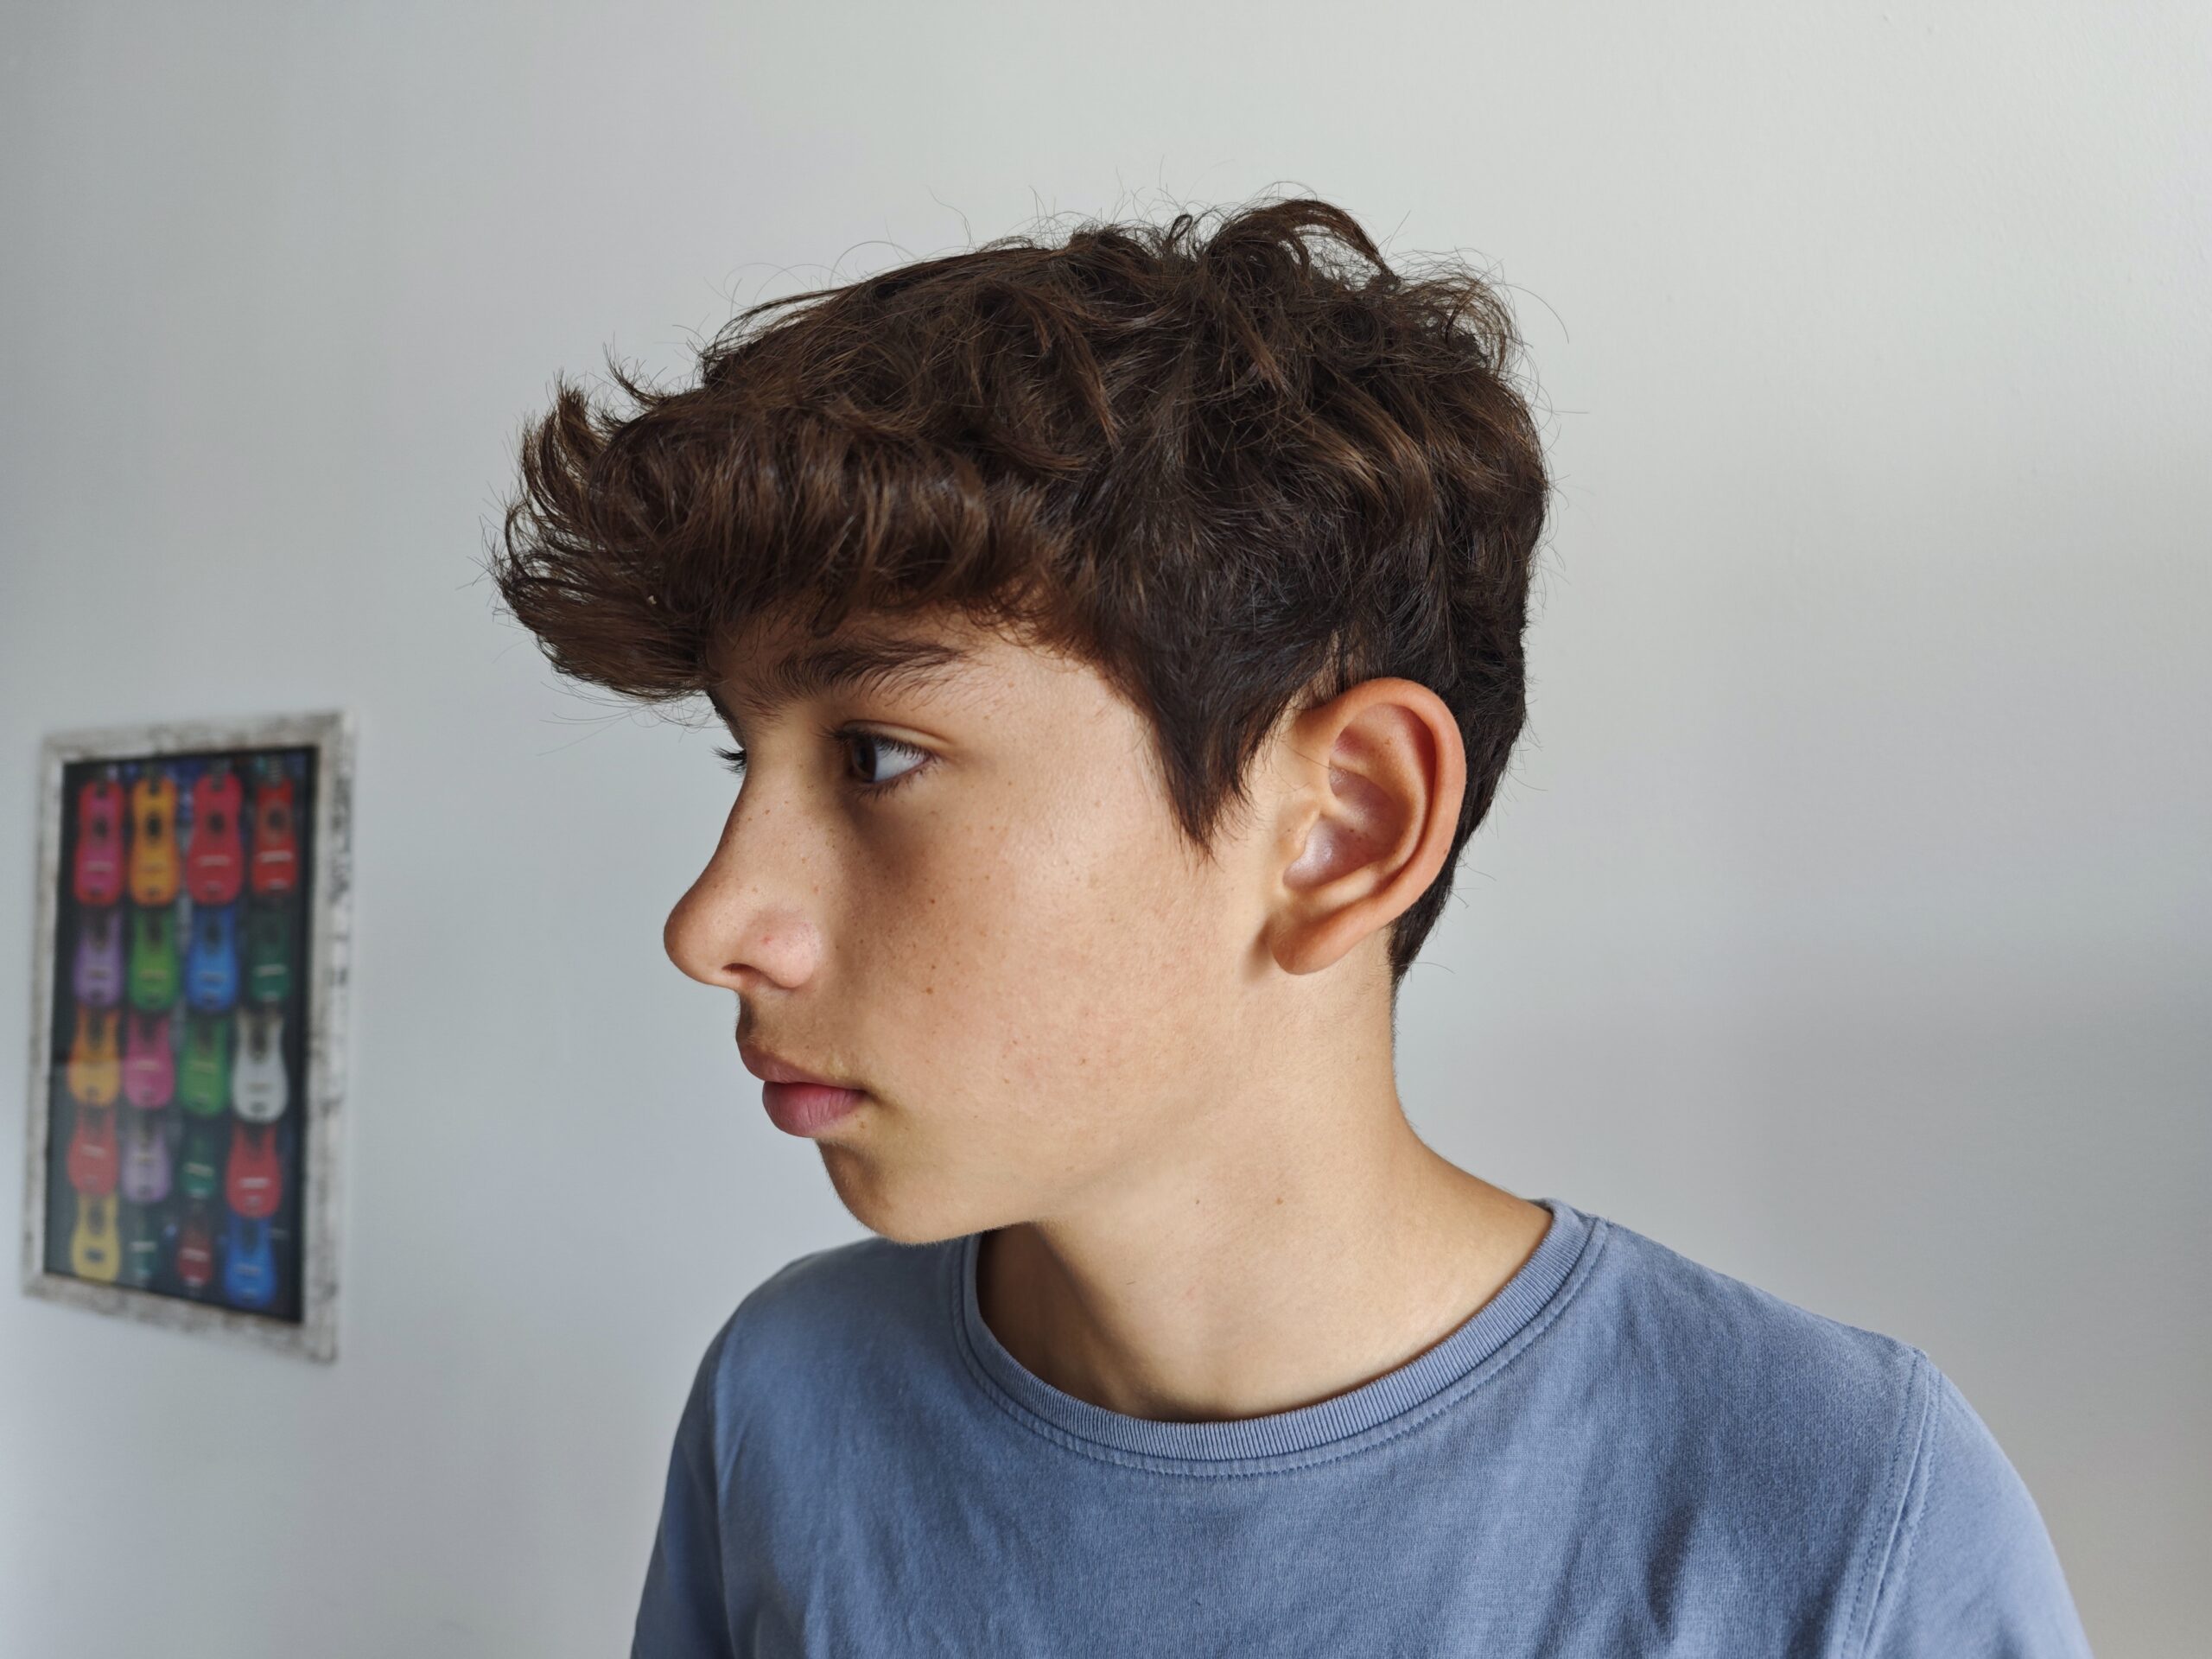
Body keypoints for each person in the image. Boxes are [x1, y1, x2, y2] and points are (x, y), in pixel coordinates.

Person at [489, 195, 2093, 1656]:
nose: (713, 920)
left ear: (1343, 830)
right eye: (744, 758)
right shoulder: (785, 1401)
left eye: (878, 759)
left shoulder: (1841, 1514)